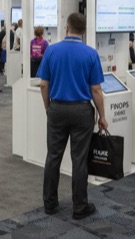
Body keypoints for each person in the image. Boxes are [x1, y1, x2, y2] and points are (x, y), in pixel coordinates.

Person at [38, 12, 107, 220]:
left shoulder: (52, 50)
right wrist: (102, 116)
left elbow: (43, 84)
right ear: (84, 31)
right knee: (79, 160)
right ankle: (80, 207)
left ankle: (50, 204)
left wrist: (48, 107)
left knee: (53, 157)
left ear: (66, 28)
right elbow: (96, 90)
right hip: (81, 111)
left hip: (57, 109)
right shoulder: (91, 54)